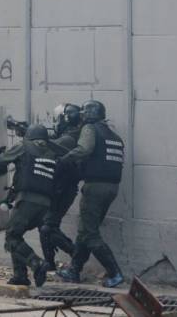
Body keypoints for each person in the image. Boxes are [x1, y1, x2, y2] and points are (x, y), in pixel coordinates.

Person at [56, 100, 125, 288]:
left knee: (90, 233)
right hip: (111, 188)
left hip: (95, 187)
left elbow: (84, 149)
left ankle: (115, 273)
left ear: (88, 115)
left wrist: (63, 160)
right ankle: (74, 271)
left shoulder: (90, 128)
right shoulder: (115, 136)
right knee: (85, 229)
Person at [0, 124, 65, 287]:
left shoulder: (24, 146)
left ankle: (36, 263)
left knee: (11, 237)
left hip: (27, 201)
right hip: (45, 205)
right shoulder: (52, 152)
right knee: (17, 236)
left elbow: (0, 161)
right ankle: (20, 276)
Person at [39, 103, 83, 270]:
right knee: (45, 224)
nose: (56, 123)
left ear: (65, 119)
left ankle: (76, 254)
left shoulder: (68, 139)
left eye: (58, 119)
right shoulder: (72, 135)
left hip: (62, 189)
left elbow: (49, 150)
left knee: (47, 227)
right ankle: (49, 262)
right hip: (61, 188)